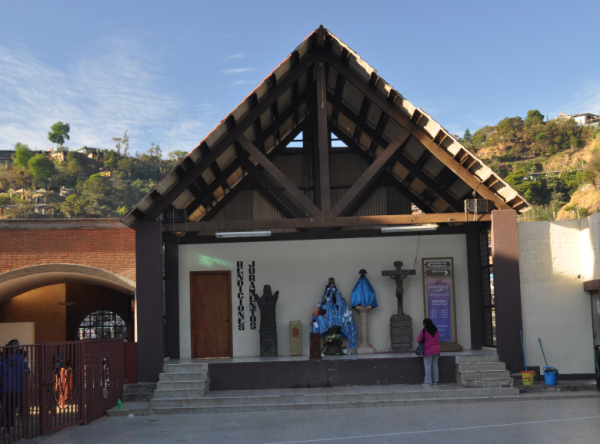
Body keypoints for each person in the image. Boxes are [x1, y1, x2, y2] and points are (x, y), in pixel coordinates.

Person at [417, 319, 440, 386]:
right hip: (436, 350)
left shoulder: (424, 331)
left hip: (428, 350)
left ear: (425, 324)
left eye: (423, 324)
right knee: (435, 366)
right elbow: (437, 338)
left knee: (428, 366)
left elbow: (419, 340)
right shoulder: (435, 330)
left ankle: (428, 381)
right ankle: (436, 381)